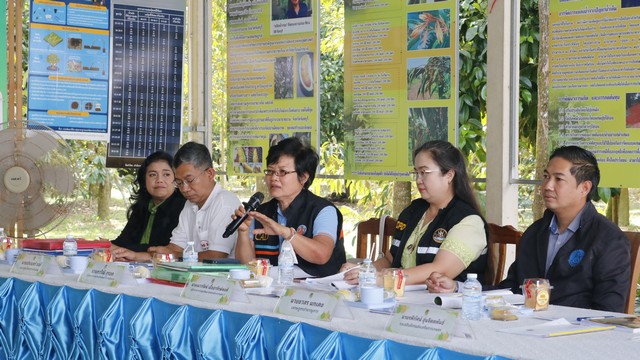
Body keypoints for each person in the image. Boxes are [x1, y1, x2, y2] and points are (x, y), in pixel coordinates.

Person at [427, 146, 631, 312]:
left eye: (558, 179)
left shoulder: (608, 239)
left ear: (584, 188)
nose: (547, 186)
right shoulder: (535, 232)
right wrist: (458, 288)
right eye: (545, 176)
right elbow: (512, 289)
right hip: (526, 329)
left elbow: (608, 311)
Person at [342, 140, 489, 285]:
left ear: (449, 175)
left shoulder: (468, 221)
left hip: (446, 305)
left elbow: (439, 270)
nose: (418, 180)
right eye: (416, 173)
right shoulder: (413, 210)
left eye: (424, 172)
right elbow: (390, 259)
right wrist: (361, 271)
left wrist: (382, 278)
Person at [234, 137, 346, 277]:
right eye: (270, 171)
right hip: (271, 288)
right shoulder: (261, 212)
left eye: (282, 172)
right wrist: (243, 233)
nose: (274, 178)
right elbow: (247, 265)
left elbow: (321, 254)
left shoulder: (323, 210)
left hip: (316, 292)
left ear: (303, 177)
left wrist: (285, 232)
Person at [147, 142, 242, 261]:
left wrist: (175, 256)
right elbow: (176, 247)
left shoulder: (224, 203)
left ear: (210, 174)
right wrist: (149, 254)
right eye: (179, 183)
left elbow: (216, 256)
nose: (184, 189)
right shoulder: (190, 204)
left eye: (189, 180)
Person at [110, 151, 186, 262]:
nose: (159, 180)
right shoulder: (142, 207)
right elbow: (122, 242)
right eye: (152, 175)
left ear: (176, 180)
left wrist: (131, 252)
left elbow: (163, 249)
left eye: (166, 174)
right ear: (144, 180)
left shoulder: (183, 207)